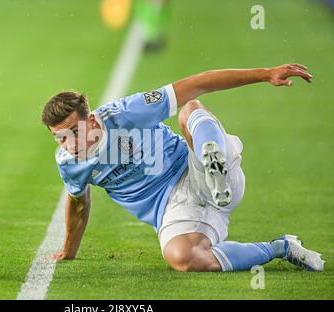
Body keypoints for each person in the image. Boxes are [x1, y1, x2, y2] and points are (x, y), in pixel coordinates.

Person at [41, 64, 324, 272]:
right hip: (175, 213)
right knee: (182, 258)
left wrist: (264, 74)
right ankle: (281, 247)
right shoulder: (69, 163)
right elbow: (78, 203)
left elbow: (198, 83)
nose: (69, 144)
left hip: (192, 169)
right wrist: (68, 251)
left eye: (73, 132)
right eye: (60, 138)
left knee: (190, 109)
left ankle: (214, 164)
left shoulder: (127, 112)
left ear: (90, 120)